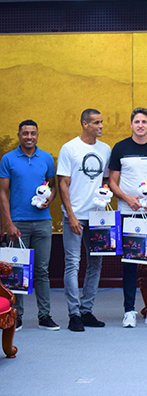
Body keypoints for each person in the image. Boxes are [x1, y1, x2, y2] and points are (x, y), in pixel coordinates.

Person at [108, 107, 147, 328]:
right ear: (131, 124)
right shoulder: (120, 148)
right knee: (130, 264)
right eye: (137, 121)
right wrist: (127, 198)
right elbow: (112, 182)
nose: (140, 125)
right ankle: (129, 311)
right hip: (129, 213)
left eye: (144, 121)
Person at [0, 120, 59, 331]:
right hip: (18, 224)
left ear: (37, 135)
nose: (29, 137)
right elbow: (2, 193)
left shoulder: (46, 158)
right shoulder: (8, 159)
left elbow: (53, 186)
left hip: (43, 222)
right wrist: (9, 223)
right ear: (19, 135)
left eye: (33, 133)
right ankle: (18, 316)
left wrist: (49, 200)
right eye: (25, 133)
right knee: (17, 271)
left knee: (42, 270)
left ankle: (45, 316)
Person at [57, 109, 111, 332]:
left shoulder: (105, 149)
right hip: (76, 215)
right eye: (96, 123)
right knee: (73, 263)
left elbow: (105, 179)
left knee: (95, 263)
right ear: (84, 124)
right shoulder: (69, 148)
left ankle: (87, 310)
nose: (100, 126)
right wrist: (70, 215)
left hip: (97, 216)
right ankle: (74, 314)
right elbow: (63, 183)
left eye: (101, 122)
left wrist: (104, 194)